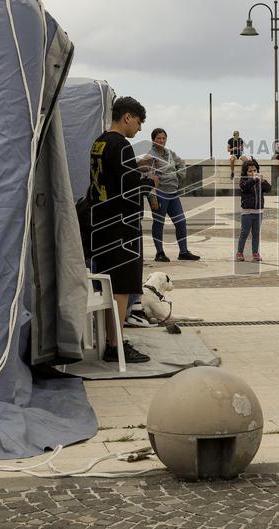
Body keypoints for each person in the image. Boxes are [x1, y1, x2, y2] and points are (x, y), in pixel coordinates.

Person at [88, 96, 155, 363]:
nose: (138, 129)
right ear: (127, 117)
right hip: (121, 227)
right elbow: (129, 189)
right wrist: (148, 181)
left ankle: (109, 340)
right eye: (138, 122)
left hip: (101, 222)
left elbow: (110, 176)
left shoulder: (100, 142)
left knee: (106, 284)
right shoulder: (122, 145)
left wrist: (134, 169)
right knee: (121, 287)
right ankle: (116, 345)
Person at [147, 128, 201, 263]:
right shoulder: (150, 156)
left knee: (181, 222)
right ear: (153, 140)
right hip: (159, 194)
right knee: (159, 223)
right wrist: (152, 197)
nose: (161, 140)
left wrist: (179, 174)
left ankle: (183, 252)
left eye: (163, 138)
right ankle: (159, 253)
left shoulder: (170, 153)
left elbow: (181, 163)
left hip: (173, 194)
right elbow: (147, 177)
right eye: (158, 138)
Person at [235, 159, 270, 262]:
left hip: (258, 212)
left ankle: (255, 252)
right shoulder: (244, 181)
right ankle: (240, 252)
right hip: (247, 213)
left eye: (255, 170)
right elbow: (244, 187)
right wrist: (253, 179)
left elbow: (268, 189)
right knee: (244, 232)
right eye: (250, 171)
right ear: (245, 172)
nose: (253, 173)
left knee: (256, 233)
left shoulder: (259, 180)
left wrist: (263, 181)